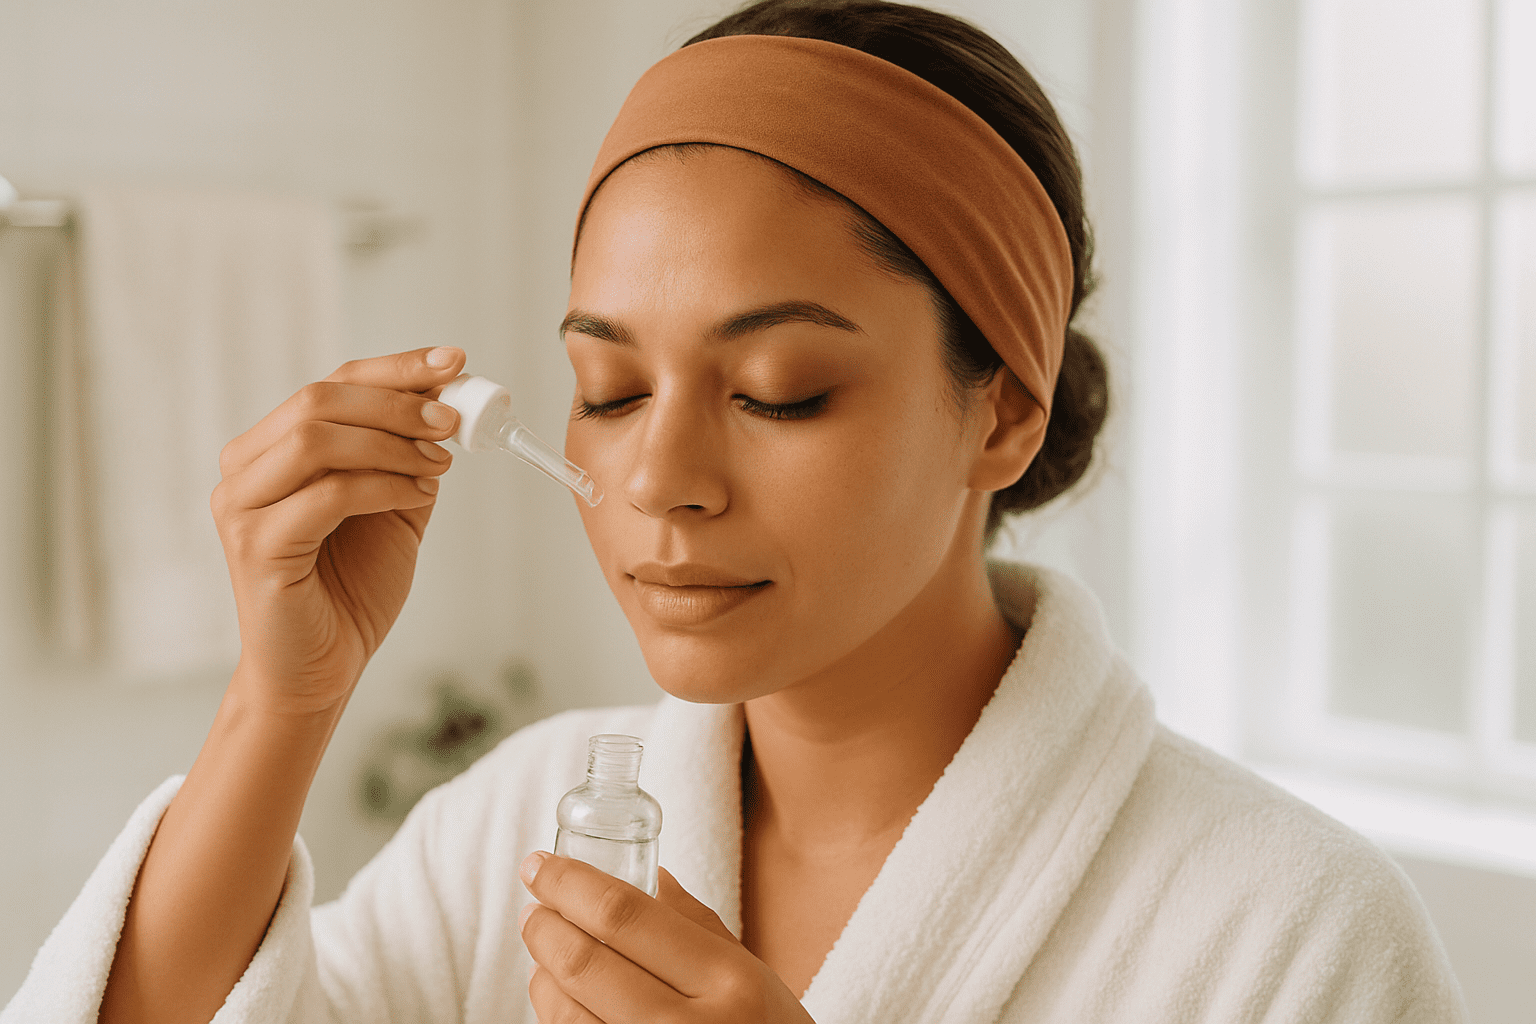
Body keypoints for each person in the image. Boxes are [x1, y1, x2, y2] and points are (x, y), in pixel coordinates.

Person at [3, 2, 1467, 1022]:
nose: (659, 480)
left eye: (776, 391)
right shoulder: (522, 825)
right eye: (609, 387)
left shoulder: (1289, 934)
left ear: (1003, 414)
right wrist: (284, 699)